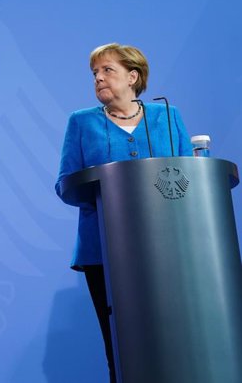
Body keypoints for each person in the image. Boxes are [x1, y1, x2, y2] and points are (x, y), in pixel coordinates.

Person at [55, 43, 192, 383]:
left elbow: (190, 177)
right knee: (121, 348)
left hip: (168, 249)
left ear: (133, 77)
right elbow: (65, 184)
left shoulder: (168, 116)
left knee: (176, 344)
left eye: (107, 71)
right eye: (95, 74)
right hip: (103, 250)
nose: (98, 78)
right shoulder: (81, 123)